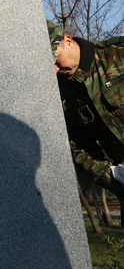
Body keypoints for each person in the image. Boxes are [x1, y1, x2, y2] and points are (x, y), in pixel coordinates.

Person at [49, 21, 124, 198]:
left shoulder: (117, 54)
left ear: (67, 41)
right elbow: (79, 148)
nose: (55, 70)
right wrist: (115, 178)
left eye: (55, 60)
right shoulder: (62, 94)